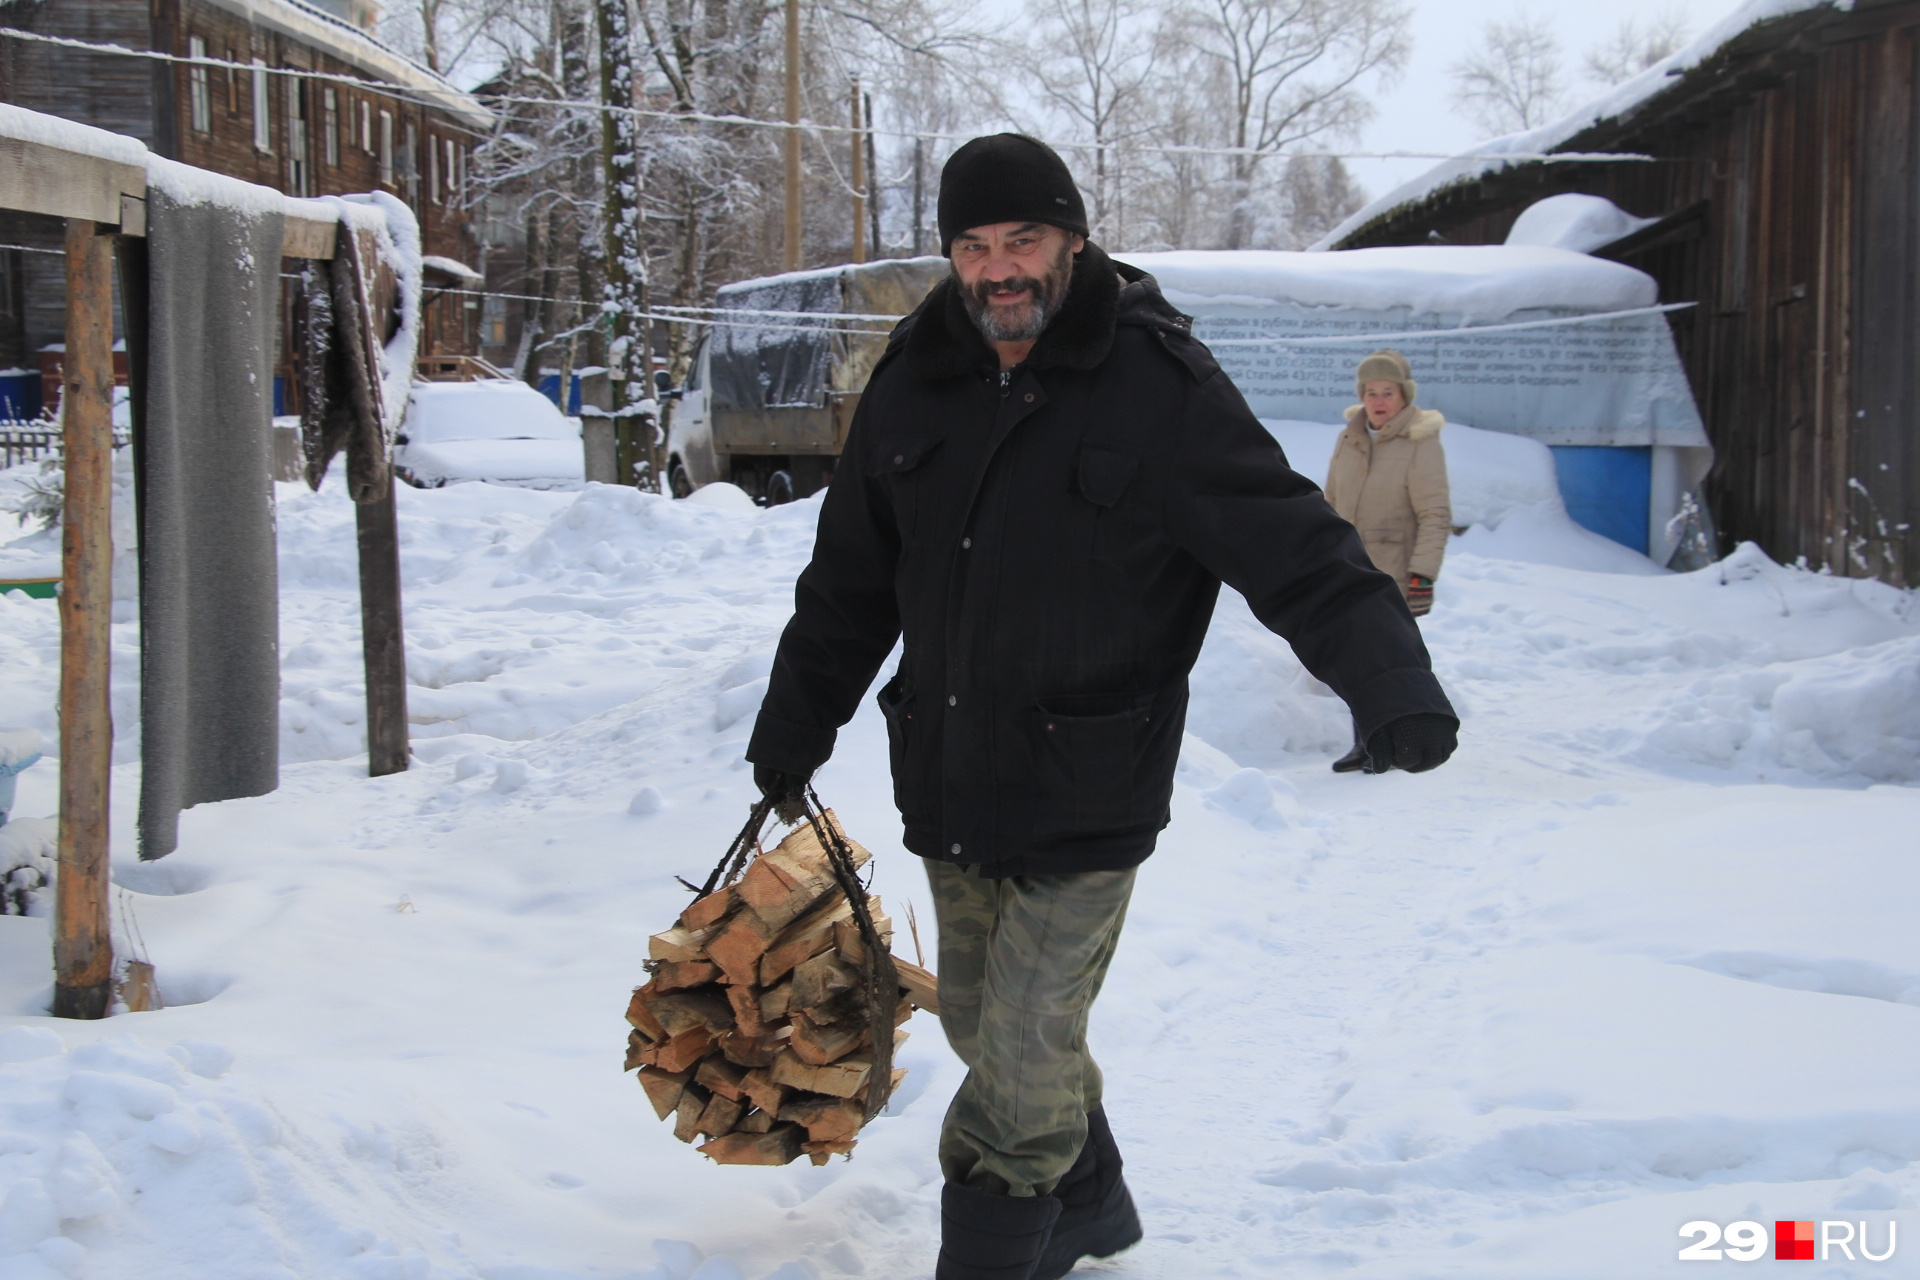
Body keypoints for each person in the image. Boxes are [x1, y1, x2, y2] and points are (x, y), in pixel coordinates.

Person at [746, 134, 1458, 1280]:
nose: (998, 270)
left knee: (1018, 1065)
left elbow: (1293, 543)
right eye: (973, 247)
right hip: (950, 769)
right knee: (987, 1023)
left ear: (1072, 239)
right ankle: (1088, 1199)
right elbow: (850, 580)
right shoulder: (914, 378)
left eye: (1022, 239)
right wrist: (794, 722)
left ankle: (994, 1248)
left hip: (1090, 784)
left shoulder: (1156, 381)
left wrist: (1389, 682)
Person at [1322, 350, 1452, 774]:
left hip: (1394, 571)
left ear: (1404, 396)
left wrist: (1424, 574)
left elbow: (1435, 513)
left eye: (1388, 392)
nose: (1378, 401)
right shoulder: (1350, 437)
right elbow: (1330, 503)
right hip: (1349, 566)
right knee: (1355, 656)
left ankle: (1395, 743)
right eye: (1371, 392)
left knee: (1390, 659)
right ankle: (1364, 742)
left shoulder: (1420, 441)